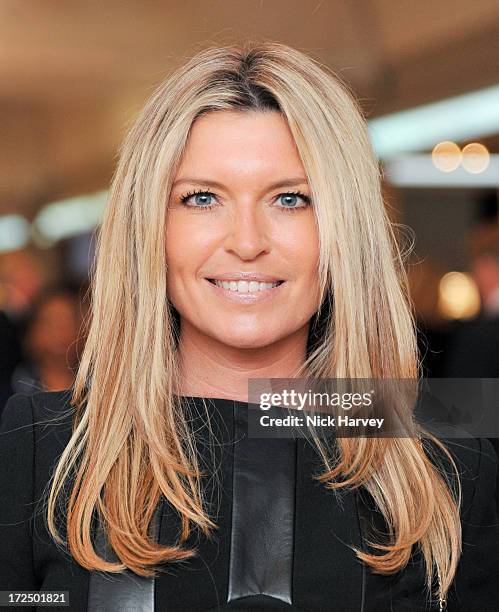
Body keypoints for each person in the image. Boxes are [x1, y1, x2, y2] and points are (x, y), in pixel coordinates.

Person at [1, 42, 498, 612]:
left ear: (344, 229)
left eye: (290, 199)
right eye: (202, 198)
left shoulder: (444, 466)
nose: (246, 241)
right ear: (149, 228)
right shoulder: (43, 448)